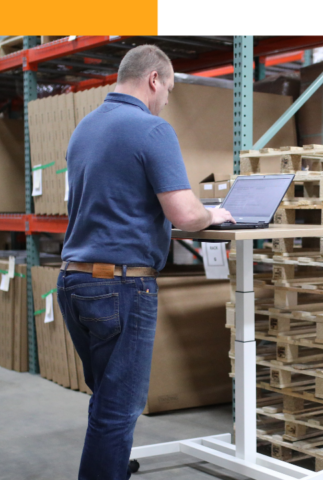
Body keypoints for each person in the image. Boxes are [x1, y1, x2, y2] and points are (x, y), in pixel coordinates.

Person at [55, 44, 235, 479]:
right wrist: (216, 213)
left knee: (106, 397)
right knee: (119, 407)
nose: (166, 99)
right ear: (154, 79)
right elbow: (185, 215)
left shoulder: (85, 128)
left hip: (74, 281)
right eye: (169, 89)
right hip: (121, 286)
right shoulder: (151, 129)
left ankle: (112, 463)